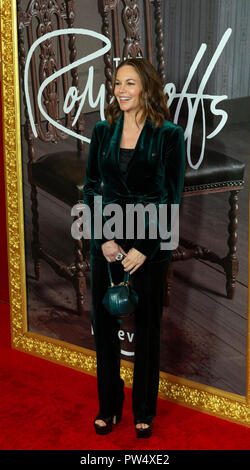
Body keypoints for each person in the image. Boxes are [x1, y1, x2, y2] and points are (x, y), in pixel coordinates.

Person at [83, 57, 186, 438]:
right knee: (104, 325)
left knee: (146, 328)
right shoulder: (102, 129)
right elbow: (92, 186)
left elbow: (169, 197)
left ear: (146, 88)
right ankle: (108, 406)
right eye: (117, 84)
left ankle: (144, 409)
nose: (121, 91)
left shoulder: (169, 135)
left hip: (149, 244)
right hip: (107, 240)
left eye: (129, 83)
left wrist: (145, 246)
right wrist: (104, 239)